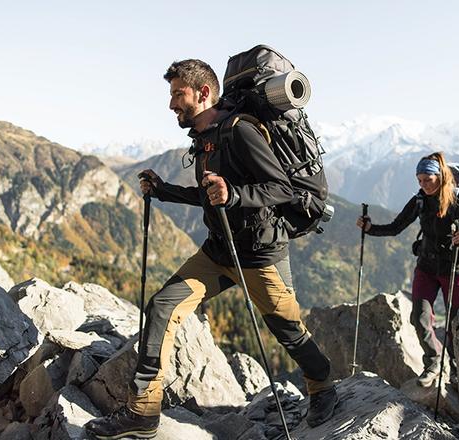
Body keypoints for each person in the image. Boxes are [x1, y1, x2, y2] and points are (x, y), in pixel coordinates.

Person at [85, 59, 337, 439]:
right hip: (218, 251)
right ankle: (143, 411)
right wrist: (165, 189)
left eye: (177, 94)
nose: (171, 104)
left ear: (203, 94)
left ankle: (323, 388)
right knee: (162, 306)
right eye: (171, 94)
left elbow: (282, 188)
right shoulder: (206, 138)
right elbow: (209, 196)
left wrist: (233, 194)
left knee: (288, 331)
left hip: (259, 256)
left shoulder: (239, 132)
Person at [355, 152, 459, 387]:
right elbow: (396, 226)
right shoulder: (420, 200)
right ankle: (434, 363)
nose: (423, 185)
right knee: (419, 317)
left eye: (427, 179)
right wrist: (370, 228)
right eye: (419, 180)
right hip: (427, 266)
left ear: (440, 176)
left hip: (455, 266)